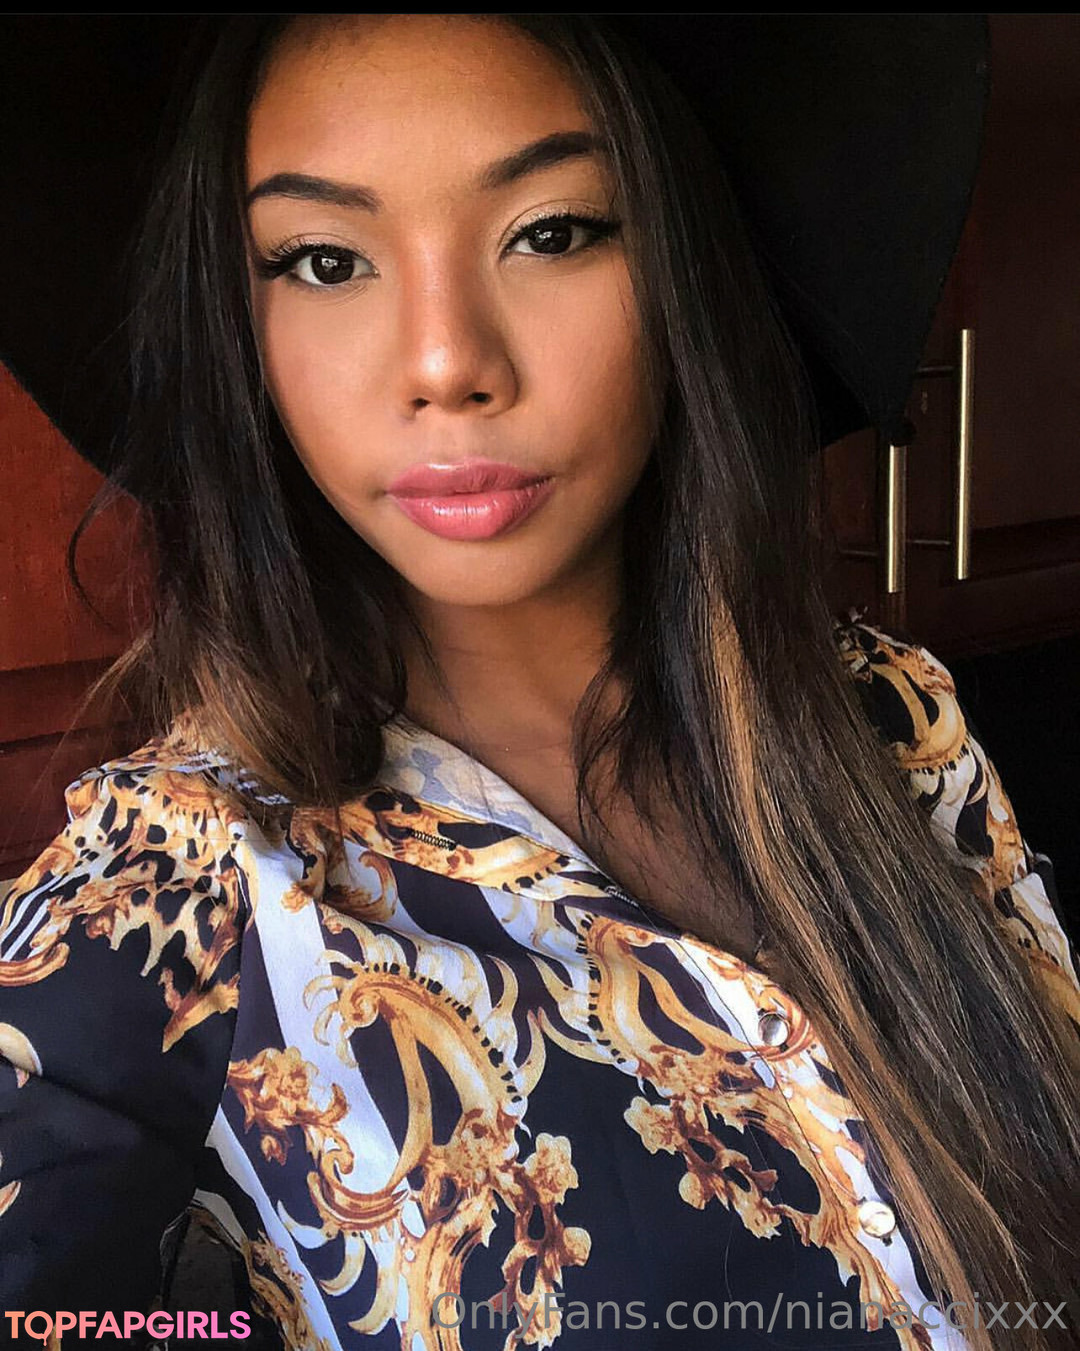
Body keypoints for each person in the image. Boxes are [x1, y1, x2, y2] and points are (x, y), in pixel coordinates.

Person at [0, 13, 1078, 1351]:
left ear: (681, 267)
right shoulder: (175, 894)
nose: (446, 362)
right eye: (326, 261)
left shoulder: (892, 714)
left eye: (553, 232)